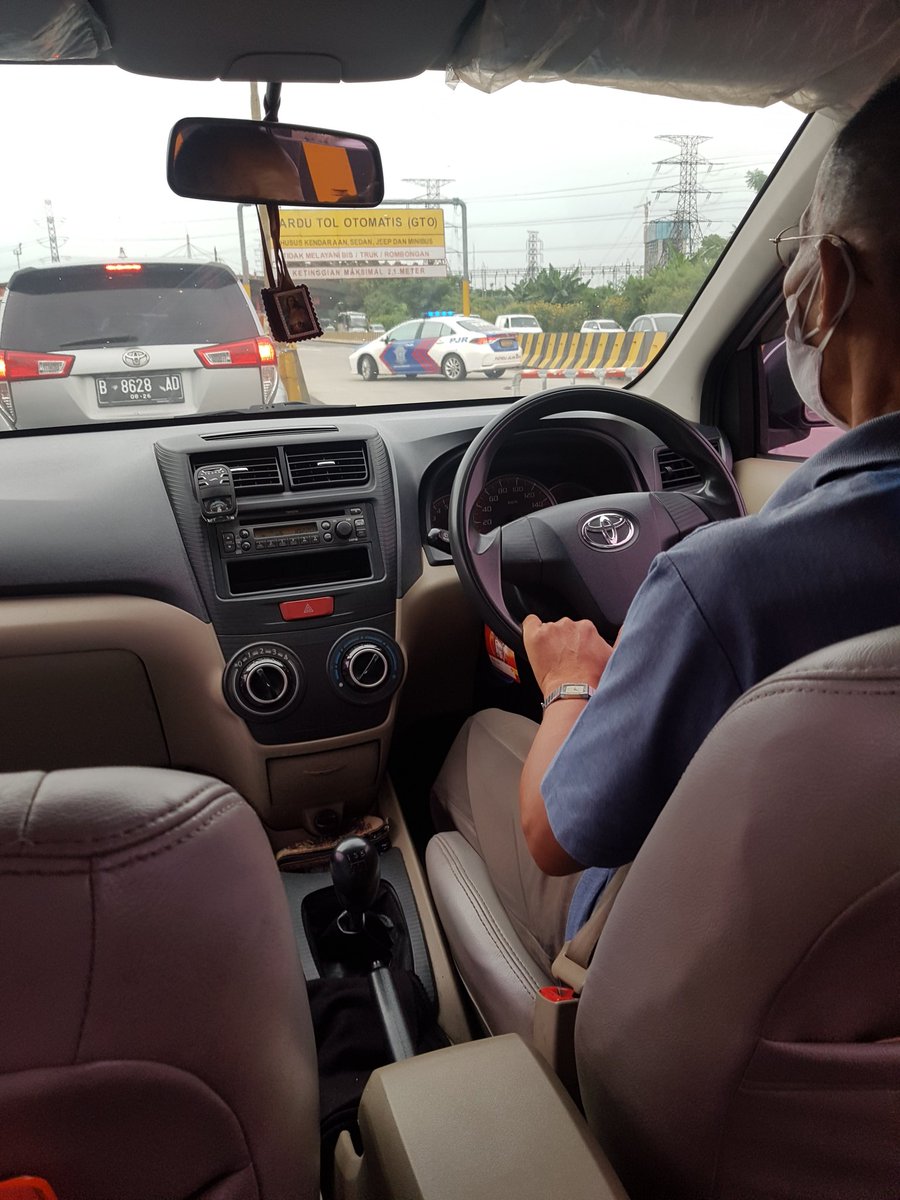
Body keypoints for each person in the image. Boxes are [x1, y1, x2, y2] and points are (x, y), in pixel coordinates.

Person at [431, 74, 900, 974]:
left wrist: (570, 682)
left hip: (689, 988)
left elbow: (553, 836)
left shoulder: (725, 586)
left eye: (798, 259)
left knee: (475, 745)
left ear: (830, 280)